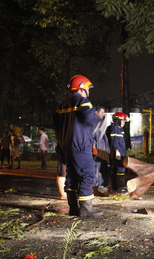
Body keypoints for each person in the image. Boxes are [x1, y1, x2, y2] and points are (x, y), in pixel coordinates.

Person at [54, 75, 103, 217]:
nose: (88, 91)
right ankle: (86, 208)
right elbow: (89, 118)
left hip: (67, 147)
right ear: (81, 88)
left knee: (72, 177)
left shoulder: (62, 105)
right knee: (88, 175)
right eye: (87, 88)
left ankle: (73, 208)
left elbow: (56, 125)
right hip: (81, 145)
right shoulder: (81, 101)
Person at [107, 112, 129, 193]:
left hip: (121, 152)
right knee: (120, 169)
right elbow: (114, 141)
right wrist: (116, 151)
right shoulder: (115, 128)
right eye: (123, 121)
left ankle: (115, 188)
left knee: (116, 169)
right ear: (118, 120)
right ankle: (121, 188)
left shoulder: (119, 129)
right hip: (118, 153)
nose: (123, 123)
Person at [92, 105, 111, 194]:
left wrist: (107, 149)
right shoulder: (94, 123)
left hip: (103, 149)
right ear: (96, 112)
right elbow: (92, 136)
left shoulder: (101, 123)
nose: (103, 114)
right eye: (102, 112)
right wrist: (93, 147)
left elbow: (104, 138)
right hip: (97, 149)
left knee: (102, 167)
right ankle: (95, 186)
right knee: (96, 167)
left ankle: (100, 185)